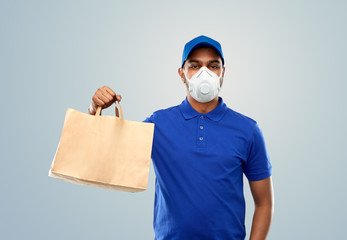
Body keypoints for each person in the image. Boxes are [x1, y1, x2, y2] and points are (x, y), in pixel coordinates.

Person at [88, 35, 274, 240]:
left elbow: (264, 203)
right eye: (195, 66)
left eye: (213, 66)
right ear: (181, 73)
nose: (204, 73)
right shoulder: (158, 123)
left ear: (223, 73)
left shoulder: (247, 129)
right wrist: (94, 111)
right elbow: (109, 156)